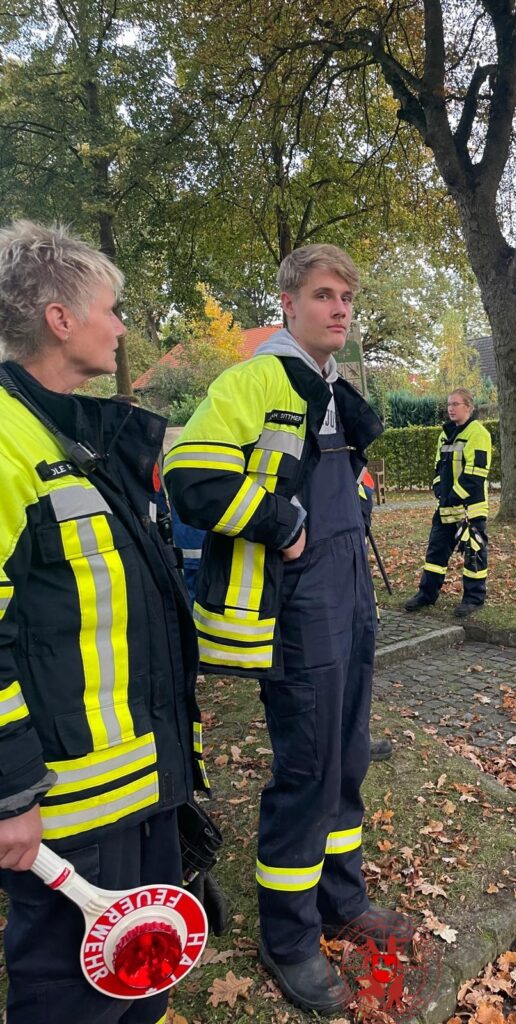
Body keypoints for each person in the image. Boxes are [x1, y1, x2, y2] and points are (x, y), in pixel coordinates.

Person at [164, 243, 413, 1014]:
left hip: (349, 598)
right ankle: (290, 937)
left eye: (347, 297)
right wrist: (283, 525)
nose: (339, 308)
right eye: (324, 295)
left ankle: (341, 900)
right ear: (288, 304)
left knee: (347, 758)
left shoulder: (331, 388)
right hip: (300, 609)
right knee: (308, 770)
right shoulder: (253, 380)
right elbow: (190, 479)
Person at [0, 221, 206, 1023]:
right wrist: (11, 792)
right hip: (67, 806)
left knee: (139, 985)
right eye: (111, 309)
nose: (122, 327)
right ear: (60, 318)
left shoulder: (79, 435)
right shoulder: (8, 444)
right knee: (71, 1001)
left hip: (142, 784)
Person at [404, 388, 492, 618]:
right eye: (449, 404)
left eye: (455, 404)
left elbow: (475, 473)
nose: (450, 409)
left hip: (470, 509)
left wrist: (453, 495)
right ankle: (426, 594)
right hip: (446, 507)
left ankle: (473, 599)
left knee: (473, 554)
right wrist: (438, 489)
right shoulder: (444, 435)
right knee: (435, 553)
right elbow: (438, 468)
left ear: (468, 407)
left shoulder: (478, 433)